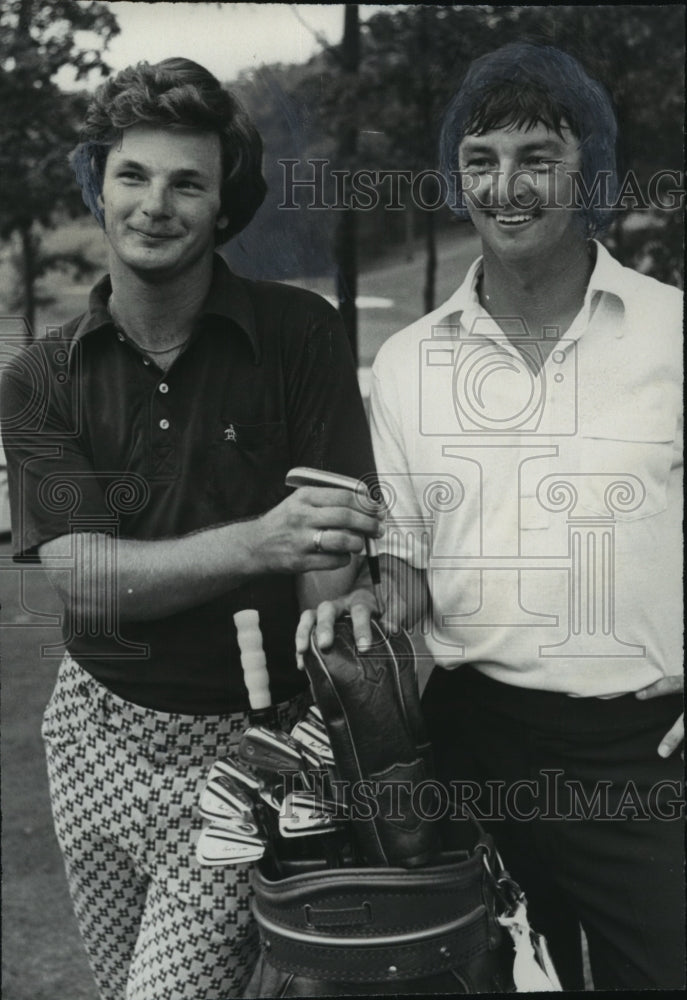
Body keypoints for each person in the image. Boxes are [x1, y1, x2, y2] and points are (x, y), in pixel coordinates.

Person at [298, 42, 684, 990]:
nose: (505, 187)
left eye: (535, 157)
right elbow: (409, 575)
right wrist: (362, 607)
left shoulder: (673, 332)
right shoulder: (407, 365)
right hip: (474, 744)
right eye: (480, 161)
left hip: (646, 751)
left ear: (585, 168)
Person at [0, 58, 383, 1000]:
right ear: (99, 185)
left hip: (244, 748)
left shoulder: (299, 334)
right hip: (90, 730)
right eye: (132, 175)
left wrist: (330, 625)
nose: (154, 205)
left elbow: (327, 554)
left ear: (224, 205)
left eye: (187, 183)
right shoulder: (39, 377)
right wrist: (262, 540)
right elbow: (83, 580)